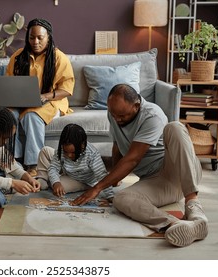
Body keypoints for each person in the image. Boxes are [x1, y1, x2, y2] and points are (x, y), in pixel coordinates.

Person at [71, 84, 208, 247]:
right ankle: (174, 224)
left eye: (121, 115)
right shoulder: (114, 114)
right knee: (121, 198)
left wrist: (97, 187)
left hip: (180, 171)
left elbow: (133, 159)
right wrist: (114, 177)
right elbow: (117, 145)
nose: (117, 119)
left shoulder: (152, 115)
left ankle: (193, 205)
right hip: (157, 182)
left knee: (175, 127)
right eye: (113, 114)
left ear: (136, 106)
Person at [6, 18, 75, 177]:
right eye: (31, 37)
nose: (35, 41)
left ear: (48, 37)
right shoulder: (18, 56)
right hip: (21, 101)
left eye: (40, 38)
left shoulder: (58, 57)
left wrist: (46, 96)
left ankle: (33, 164)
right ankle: (13, 161)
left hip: (51, 101)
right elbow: (9, 82)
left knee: (31, 115)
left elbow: (66, 89)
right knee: (8, 115)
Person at [36, 123, 114, 201]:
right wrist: (56, 182)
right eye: (66, 152)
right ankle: (42, 179)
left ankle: (52, 180)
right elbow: (53, 167)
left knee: (61, 188)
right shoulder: (62, 149)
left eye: (73, 152)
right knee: (45, 150)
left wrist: (110, 196)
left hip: (82, 180)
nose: (69, 155)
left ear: (82, 146)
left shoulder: (92, 154)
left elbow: (101, 175)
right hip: (66, 169)